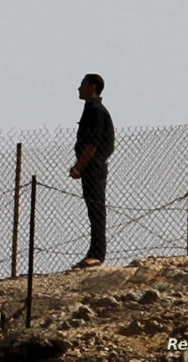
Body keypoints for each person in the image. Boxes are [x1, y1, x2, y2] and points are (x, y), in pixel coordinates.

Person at [69, 74, 114, 269]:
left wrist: (79, 166)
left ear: (92, 86)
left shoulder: (95, 110)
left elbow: (92, 144)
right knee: (93, 209)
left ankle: (96, 254)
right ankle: (94, 252)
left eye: (82, 85)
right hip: (91, 166)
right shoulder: (90, 108)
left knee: (96, 209)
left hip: (93, 167)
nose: (79, 88)